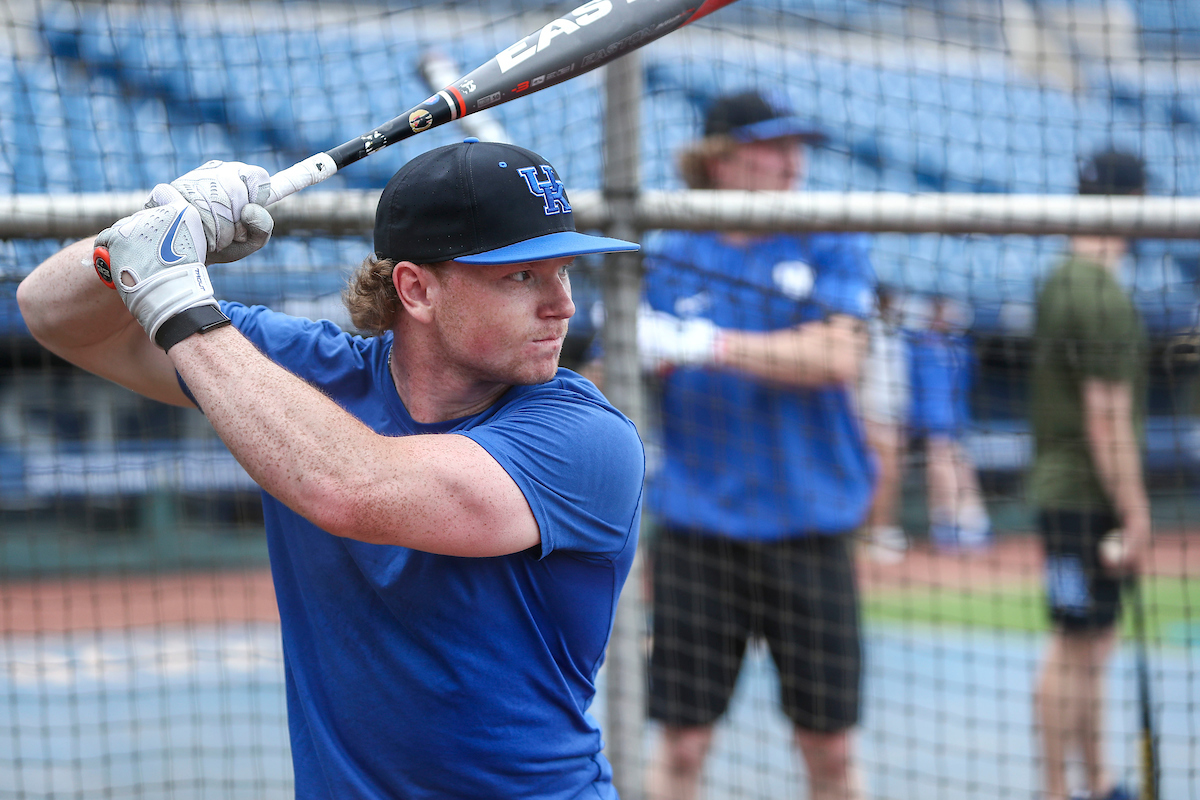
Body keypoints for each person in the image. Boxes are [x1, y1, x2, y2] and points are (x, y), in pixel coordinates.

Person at [16, 141, 648, 799]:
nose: (563, 305)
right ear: (416, 289)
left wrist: (177, 300)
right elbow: (50, 312)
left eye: (563, 271)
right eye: (522, 277)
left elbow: (352, 488)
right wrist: (147, 233)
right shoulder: (310, 370)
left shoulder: (585, 438)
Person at [637, 91, 876, 800]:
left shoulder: (824, 234)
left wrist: (706, 343)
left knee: (829, 748)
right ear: (721, 159)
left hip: (810, 527)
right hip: (696, 533)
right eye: (772, 146)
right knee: (681, 745)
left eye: (795, 146)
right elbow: (604, 382)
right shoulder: (668, 253)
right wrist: (625, 346)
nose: (791, 162)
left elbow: (839, 354)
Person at [1030, 149, 1151, 800]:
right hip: (1082, 496)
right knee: (1075, 648)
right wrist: (1135, 513)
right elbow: (1106, 418)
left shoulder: (1063, 276)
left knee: (1090, 647)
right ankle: (1058, 790)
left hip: (1069, 492)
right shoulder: (1096, 288)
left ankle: (1096, 780)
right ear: (1131, 203)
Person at [905, 294, 992, 551]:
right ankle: (948, 524)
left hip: (956, 417)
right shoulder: (917, 342)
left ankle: (969, 523)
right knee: (940, 463)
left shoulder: (958, 344)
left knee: (960, 464)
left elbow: (969, 379)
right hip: (930, 417)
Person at [858, 285, 911, 564]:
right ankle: (876, 533)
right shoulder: (867, 328)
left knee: (891, 475)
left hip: (894, 414)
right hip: (872, 415)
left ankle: (881, 530)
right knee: (881, 476)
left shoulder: (895, 330)